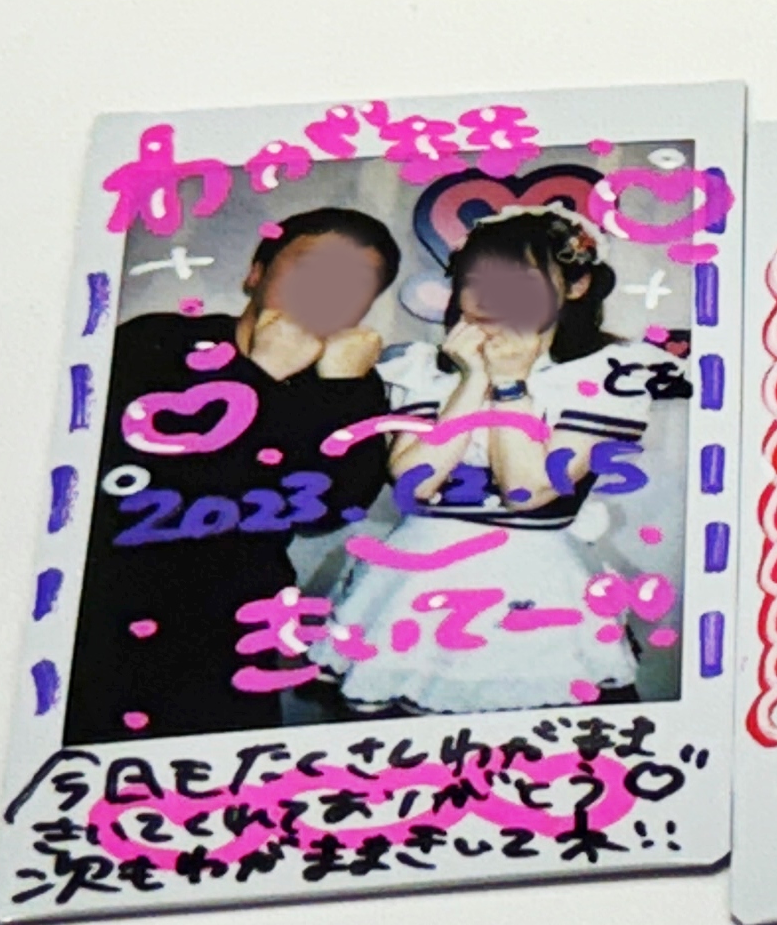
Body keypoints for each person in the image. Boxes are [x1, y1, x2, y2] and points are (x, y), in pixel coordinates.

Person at [315, 205, 678, 716]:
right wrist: (473, 381)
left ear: (575, 286)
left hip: (536, 587)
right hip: (412, 587)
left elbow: (527, 492)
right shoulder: (422, 370)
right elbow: (414, 485)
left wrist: (510, 385)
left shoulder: (603, 377)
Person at [64, 208, 403, 746]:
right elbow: (124, 484)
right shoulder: (155, 342)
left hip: (229, 624)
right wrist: (257, 376)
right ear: (255, 272)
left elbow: (334, 510)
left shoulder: (348, 381)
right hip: (101, 608)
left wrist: (339, 391)